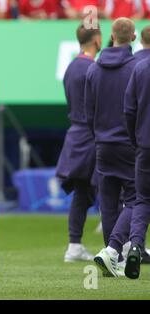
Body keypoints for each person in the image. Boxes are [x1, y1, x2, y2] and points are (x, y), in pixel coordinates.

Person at [85, 18, 138, 277]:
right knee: (137, 199)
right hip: (129, 143)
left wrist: (99, 134)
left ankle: (110, 256)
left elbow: (88, 112)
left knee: (107, 201)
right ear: (134, 37)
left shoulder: (94, 70)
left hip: (103, 143)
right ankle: (113, 250)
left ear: (111, 36)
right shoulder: (137, 68)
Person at [56, 24, 102, 263]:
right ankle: (119, 246)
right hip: (92, 135)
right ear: (96, 40)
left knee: (82, 192)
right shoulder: (92, 69)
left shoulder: (71, 67)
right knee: (111, 187)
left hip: (76, 133)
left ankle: (74, 244)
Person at [124, 32, 150, 279]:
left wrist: (136, 139)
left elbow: (129, 110)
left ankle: (135, 246)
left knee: (142, 200)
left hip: (145, 144)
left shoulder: (140, 69)